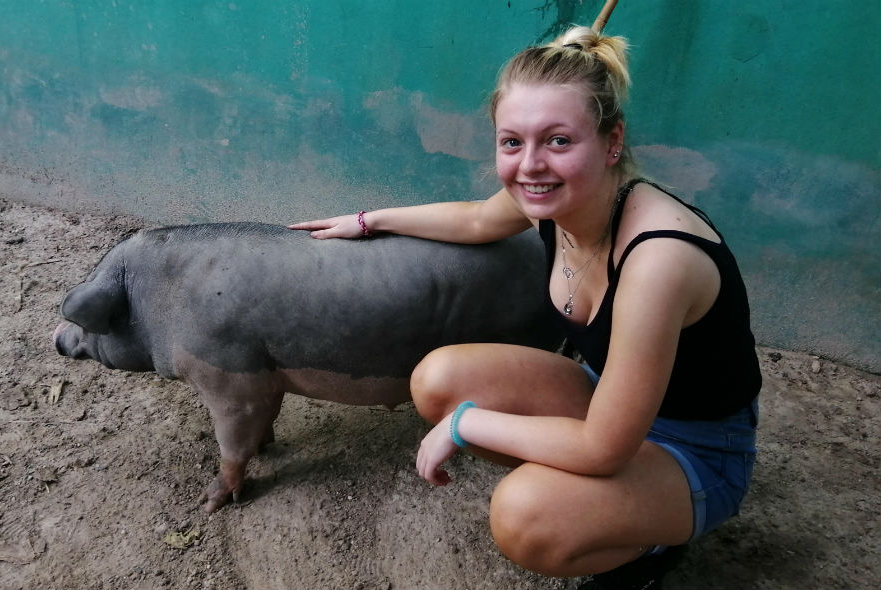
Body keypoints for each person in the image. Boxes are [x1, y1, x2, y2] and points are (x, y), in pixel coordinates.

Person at [289, 24, 761, 590]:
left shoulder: (659, 258)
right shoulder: (551, 197)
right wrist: (368, 220)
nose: (530, 165)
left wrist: (466, 426)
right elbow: (477, 219)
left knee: (525, 516)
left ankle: (649, 543)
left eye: (558, 140)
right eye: (512, 142)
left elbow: (605, 448)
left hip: (696, 447)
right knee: (438, 380)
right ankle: (601, 504)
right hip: (605, 393)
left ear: (613, 141)